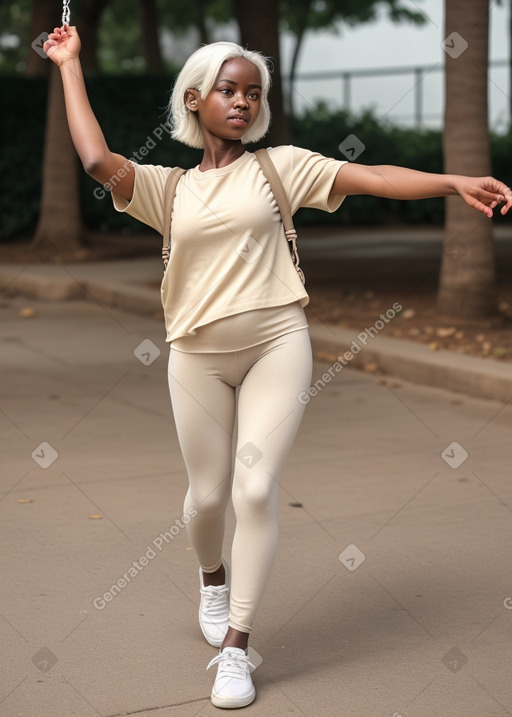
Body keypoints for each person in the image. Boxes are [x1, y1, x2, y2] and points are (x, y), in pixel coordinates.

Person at [44, 23, 512, 710]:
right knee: (207, 498)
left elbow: (375, 177)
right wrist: (69, 63)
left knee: (255, 489)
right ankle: (212, 578)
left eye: (253, 94)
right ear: (196, 99)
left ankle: (237, 647)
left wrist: (453, 181)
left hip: (277, 343)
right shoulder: (163, 189)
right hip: (196, 356)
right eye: (229, 91)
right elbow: (93, 159)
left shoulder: (281, 167)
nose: (243, 102)